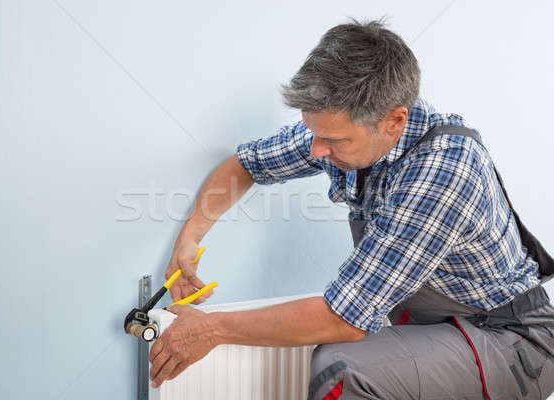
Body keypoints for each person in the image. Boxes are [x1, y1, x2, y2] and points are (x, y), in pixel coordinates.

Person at [149, 19, 554, 399]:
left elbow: (342, 318)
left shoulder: (442, 171)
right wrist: (189, 239)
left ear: (395, 121)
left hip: (512, 342)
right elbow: (246, 165)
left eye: (333, 141)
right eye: (313, 132)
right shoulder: (346, 128)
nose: (316, 151)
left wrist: (211, 329)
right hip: (442, 326)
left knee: (341, 367)